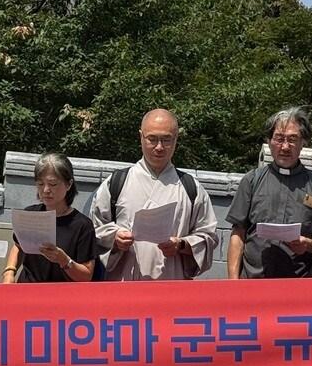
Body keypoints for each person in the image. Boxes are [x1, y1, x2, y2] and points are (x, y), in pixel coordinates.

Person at [89, 108, 219, 281]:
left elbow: (208, 235)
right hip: (124, 282)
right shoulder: (117, 182)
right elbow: (92, 229)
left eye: (166, 140)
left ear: (176, 139)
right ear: (141, 136)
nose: (159, 147)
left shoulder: (191, 188)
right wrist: (115, 238)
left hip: (172, 283)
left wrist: (181, 245)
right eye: (152, 139)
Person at [226, 107, 312, 279]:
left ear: (303, 142)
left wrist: (309, 244)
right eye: (279, 138)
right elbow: (238, 234)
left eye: (292, 139)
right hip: (253, 281)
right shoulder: (252, 180)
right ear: (269, 141)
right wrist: (233, 281)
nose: (285, 146)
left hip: (297, 285)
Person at [2, 153, 97, 283]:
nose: (46, 190)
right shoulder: (30, 214)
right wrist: (9, 272)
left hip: (62, 298)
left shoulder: (82, 225)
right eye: (40, 184)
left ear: (69, 185)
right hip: (26, 292)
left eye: (53, 184)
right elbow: (18, 246)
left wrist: (64, 260)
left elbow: (86, 276)